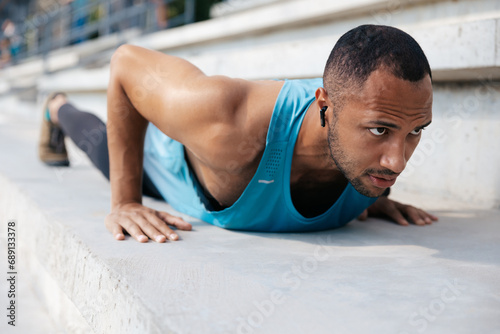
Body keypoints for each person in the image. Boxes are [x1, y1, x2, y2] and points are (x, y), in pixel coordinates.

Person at [40, 24, 438, 243]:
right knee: (97, 143)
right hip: (159, 164)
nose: (397, 161)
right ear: (325, 107)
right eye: (379, 130)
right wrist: (125, 201)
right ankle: (56, 108)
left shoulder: (381, 128)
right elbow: (126, 63)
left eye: (416, 132)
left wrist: (369, 194)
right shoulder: (226, 120)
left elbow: (389, 133)